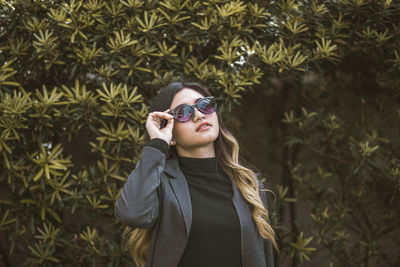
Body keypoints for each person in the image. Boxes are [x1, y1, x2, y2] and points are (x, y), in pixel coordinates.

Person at [115, 82, 277, 267]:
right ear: (170, 132)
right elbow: (132, 214)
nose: (199, 115)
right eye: (184, 112)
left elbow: (264, 256)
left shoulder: (248, 184)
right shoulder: (161, 183)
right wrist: (158, 144)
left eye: (204, 105)